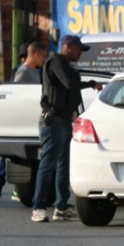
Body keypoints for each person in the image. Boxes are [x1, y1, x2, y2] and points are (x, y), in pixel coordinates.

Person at [31, 35, 102, 223]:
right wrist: (92, 84)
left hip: (63, 119)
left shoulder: (66, 66)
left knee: (63, 165)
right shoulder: (56, 63)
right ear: (68, 46)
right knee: (48, 165)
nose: (80, 54)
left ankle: (61, 207)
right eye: (79, 50)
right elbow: (70, 85)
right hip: (53, 121)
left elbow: (71, 91)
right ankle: (38, 207)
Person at [0, 43, 47, 199]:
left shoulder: (35, 72)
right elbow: (16, 96)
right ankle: (1, 184)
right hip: (24, 119)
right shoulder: (23, 73)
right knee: (13, 153)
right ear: (36, 55)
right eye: (42, 56)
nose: (43, 60)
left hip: (30, 120)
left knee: (13, 154)